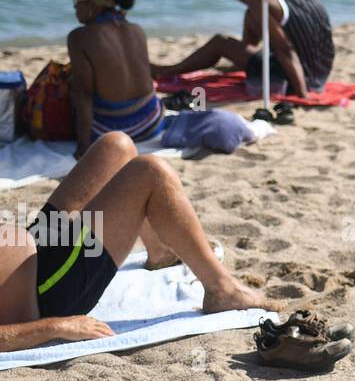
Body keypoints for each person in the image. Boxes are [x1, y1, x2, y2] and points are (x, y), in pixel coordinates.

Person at [0, 133, 271, 351]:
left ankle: (160, 252)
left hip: (32, 252)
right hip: (47, 293)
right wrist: (56, 327)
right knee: (150, 172)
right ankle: (222, 291)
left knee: (116, 146)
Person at [151, 0, 334, 97]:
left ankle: (166, 71)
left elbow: (285, 49)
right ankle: (241, 64)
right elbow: (252, 0)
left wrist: (302, 94)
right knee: (252, 14)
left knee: (219, 42)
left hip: (296, 77)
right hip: (321, 69)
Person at [69, 0, 165, 158]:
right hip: (152, 121)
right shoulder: (137, 29)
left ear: (93, 5)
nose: (74, 7)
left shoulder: (79, 37)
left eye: (77, 2)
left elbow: (83, 95)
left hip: (111, 130)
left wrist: (83, 146)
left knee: (72, 84)